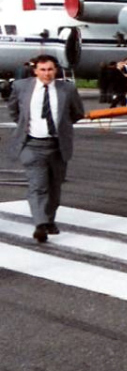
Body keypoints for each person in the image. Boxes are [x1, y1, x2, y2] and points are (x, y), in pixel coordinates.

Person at [5, 54, 86, 243]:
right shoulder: (21, 87)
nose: (46, 74)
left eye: (50, 70)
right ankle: (40, 223)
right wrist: (26, 126)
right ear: (35, 71)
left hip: (58, 145)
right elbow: (14, 110)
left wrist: (63, 126)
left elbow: (77, 113)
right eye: (42, 70)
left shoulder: (67, 89)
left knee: (54, 187)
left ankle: (49, 220)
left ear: (55, 70)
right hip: (32, 145)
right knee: (38, 185)